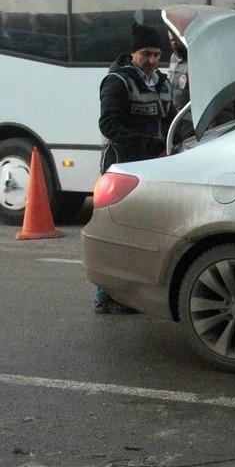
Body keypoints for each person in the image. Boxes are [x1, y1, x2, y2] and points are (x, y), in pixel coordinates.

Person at [94, 23, 173, 314]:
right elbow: (109, 125)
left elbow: (171, 121)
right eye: (146, 54)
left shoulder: (162, 82)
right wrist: (150, 145)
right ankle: (105, 297)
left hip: (153, 170)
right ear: (133, 53)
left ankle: (131, 294)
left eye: (156, 54)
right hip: (122, 169)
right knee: (117, 234)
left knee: (143, 235)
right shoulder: (117, 82)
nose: (152, 61)